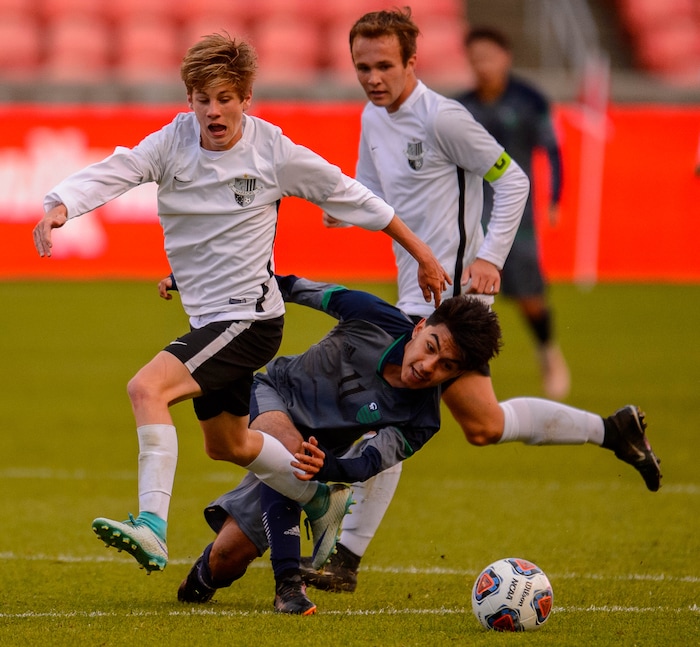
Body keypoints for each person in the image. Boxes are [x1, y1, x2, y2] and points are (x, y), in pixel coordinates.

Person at [31, 32, 451, 575]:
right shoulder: (172, 143)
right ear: (189, 100)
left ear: (246, 97)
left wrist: (420, 251)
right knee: (227, 443)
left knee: (146, 388)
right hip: (211, 317)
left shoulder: (273, 151)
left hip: (250, 318)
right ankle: (321, 502)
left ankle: (152, 527)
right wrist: (61, 204)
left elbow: (350, 194)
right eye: (203, 98)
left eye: (226, 98)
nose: (214, 110)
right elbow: (119, 169)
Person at [304, 8, 662, 594]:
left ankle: (344, 558)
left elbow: (514, 178)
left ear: (412, 62)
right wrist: (336, 209)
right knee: (483, 425)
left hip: (454, 301)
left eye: (385, 66)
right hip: (413, 292)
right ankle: (612, 430)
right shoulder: (373, 116)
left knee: (391, 407)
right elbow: (369, 191)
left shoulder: (444, 118)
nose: (373, 78)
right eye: (362, 66)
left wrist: (492, 257)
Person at [175, 273, 504, 614]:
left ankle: (201, 579)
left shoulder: (422, 420)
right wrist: (204, 285)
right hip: (272, 393)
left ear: (457, 375)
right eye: (431, 347)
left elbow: (368, 463)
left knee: (229, 556)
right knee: (291, 454)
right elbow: (286, 286)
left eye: (446, 366)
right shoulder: (371, 313)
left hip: (316, 456)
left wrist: (329, 467)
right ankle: (289, 584)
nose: (427, 366)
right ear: (420, 327)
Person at [456, 26, 570, 401]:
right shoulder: (459, 107)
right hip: (470, 211)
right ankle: (461, 373)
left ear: (506, 57)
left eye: (488, 57)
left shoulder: (529, 100)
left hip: (514, 214)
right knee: (459, 290)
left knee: (529, 296)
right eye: (475, 59)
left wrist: (555, 198)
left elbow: (552, 150)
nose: (482, 66)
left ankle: (548, 353)